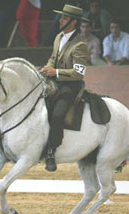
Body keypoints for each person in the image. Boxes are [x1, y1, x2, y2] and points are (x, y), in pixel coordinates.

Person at [40, 4, 90, 172]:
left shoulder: (80, 45)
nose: (60, 20)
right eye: (61, 17)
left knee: (57, 115)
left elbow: (79, 73)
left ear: (73, 22)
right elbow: (52, 58)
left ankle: (50, 152)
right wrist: (47, 68)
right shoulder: (58, 37)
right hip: (55, 83)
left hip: (70, 87)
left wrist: (56, 72)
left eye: (64, 17)